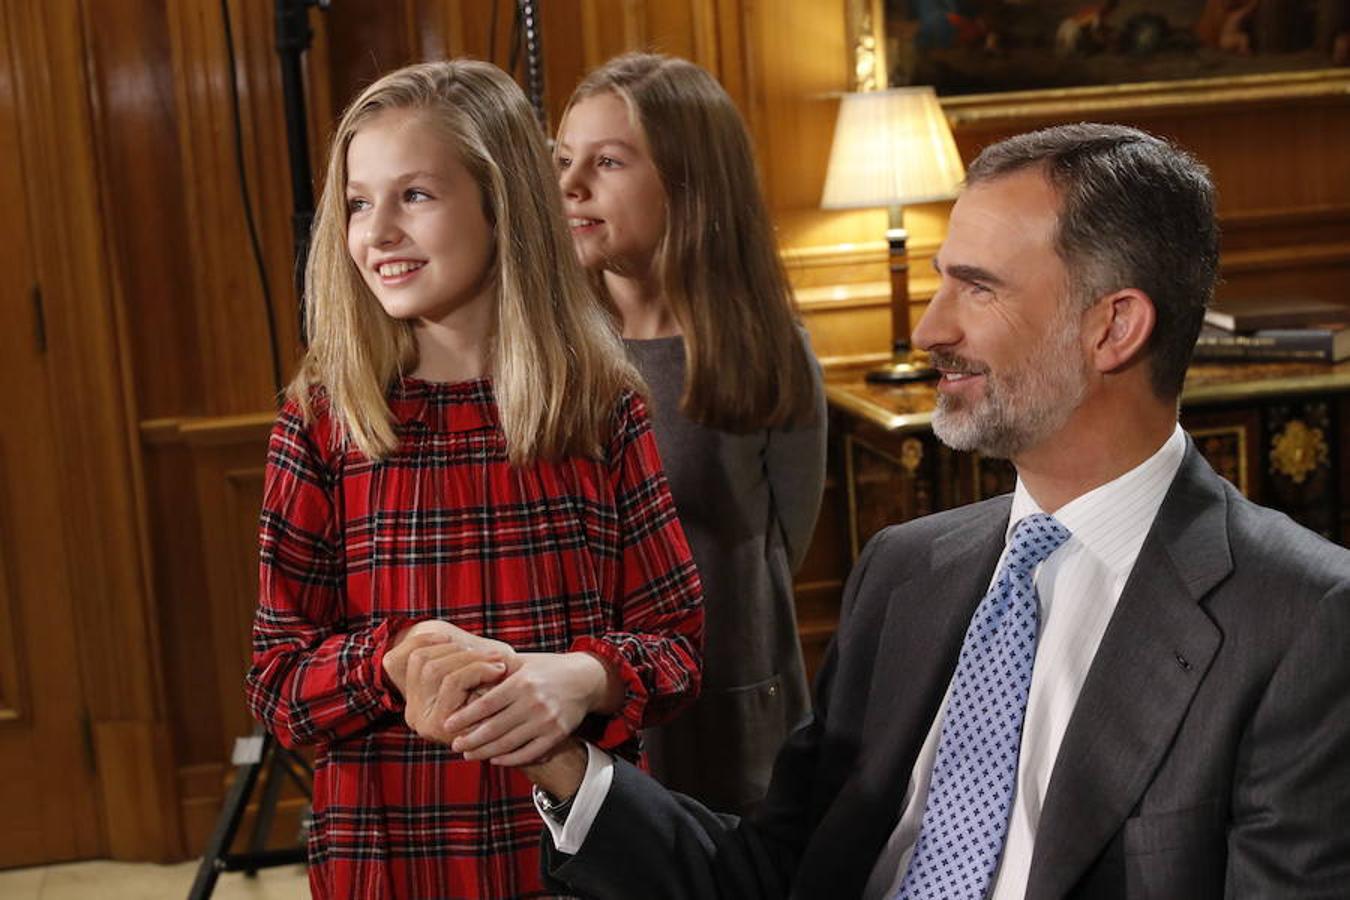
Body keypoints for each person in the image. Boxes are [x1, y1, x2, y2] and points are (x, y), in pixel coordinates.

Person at [456, 123, 1350, 898]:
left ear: (1113, 327)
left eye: (979, 287)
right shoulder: (905, 570)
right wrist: (561, 762)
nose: (929, 329)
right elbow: (771, 873)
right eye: (940, 281)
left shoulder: (1300, 619)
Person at [244, 59, 704, 899]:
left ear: (504, 206)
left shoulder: (598, 408)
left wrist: (583, 677)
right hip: (390, 859)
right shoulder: (322, 422)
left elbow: (676, 646)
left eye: (414, 195)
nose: (376, 230)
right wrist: (388, 662)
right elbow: (277, 686)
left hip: (577, 855)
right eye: (357, 201)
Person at [550, 52, 828, 815]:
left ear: (688, 180)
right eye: (563, 158)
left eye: (607, 161)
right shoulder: (552, 352)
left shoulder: (763, 350)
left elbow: (786, 541)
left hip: (730, 702)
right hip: (584, 706)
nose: (571, 184)